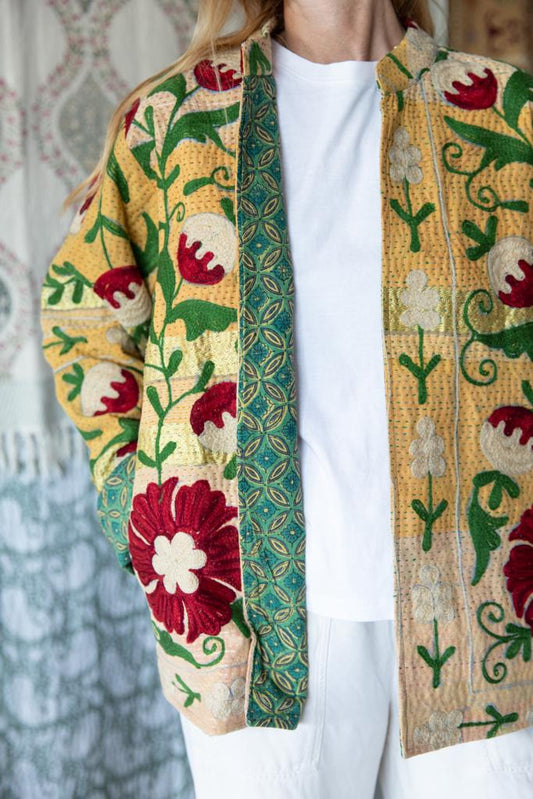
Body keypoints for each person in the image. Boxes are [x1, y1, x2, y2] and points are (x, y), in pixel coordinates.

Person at [40, 0, 533, 797]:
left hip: (488, 617)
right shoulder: (176, 124)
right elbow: (86, 321)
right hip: (254, 623)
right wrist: (141, 508)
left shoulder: (502, 114)